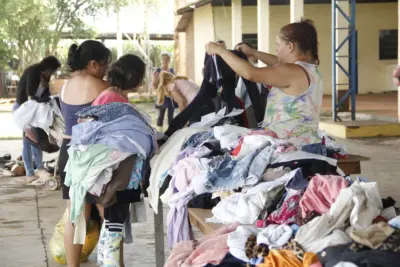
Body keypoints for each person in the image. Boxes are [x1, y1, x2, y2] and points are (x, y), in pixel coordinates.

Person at [205, 18, 323, 146]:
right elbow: (278, 62)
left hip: (289, 147)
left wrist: (220, 51)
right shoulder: (310, 70)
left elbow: (251, 73)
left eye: (278, 45)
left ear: (290, 46)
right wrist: (253, 52)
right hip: (307, 142)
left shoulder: (291, 71)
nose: (276, 50)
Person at [58, 40, 111, 267]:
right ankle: (111, 262)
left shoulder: (64, 85)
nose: (106, 69)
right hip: (92, 156)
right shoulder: (101, 87)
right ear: (92, 64)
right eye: (104, 64)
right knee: (108, 215)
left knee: (76, 216)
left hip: (67, 154)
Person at [13, 56, 61, 183]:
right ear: (48, 67)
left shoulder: (45, 76)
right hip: (24, 109)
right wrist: (41, 96)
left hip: (35, 110)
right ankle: (29, 173)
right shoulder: (33, 71)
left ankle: (39, 168)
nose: (52, 73)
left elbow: (45, 94)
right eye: (53, 70)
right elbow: (31, 94)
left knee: (38, 140)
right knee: (28, 141)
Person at [152, 52, 176, 130]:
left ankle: (171, 133)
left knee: (171, 117)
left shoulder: (172, 71)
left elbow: (175, 83)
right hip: (161, 96)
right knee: (160, 116)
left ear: (169, 60)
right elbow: (154, 84)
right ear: (161, 60)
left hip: (170, 96)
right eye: (163, 59)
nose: (165, 61)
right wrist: (158, 92)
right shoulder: (158, 71)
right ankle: (159, 132)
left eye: (167, 59)